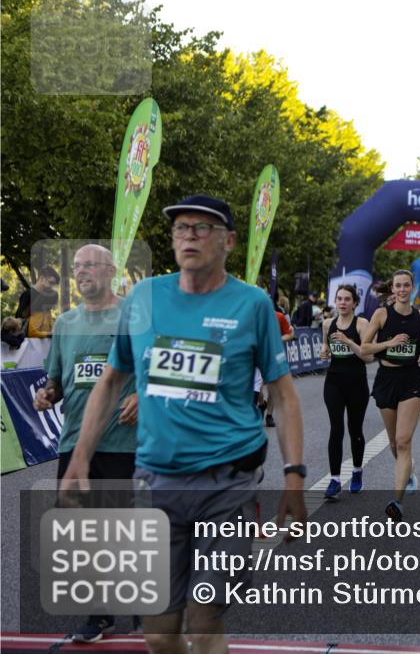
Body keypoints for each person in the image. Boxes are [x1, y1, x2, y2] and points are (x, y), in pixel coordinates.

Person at [60, 195, 307, 654]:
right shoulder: (146, 297)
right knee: (158, 631)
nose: (188, 236)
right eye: (181, 228)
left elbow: (284, 395)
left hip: (227, 482)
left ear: (229, 241)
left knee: (204, 614)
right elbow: (112, 379)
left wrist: (295, 475)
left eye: (202, 228)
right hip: (155, 482)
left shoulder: (251, 304)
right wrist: (80, 457)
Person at [33, 244, 139, 643]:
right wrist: (46, 394)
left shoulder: (134, 316)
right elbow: (57, 381)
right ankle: (100, 615)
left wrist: (141, 394)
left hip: (123, 442)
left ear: (110, 270)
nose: (80, 273)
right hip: (75, 442)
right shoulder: (65, 324)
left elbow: (155, 367)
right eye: (76, 267)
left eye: (89, 265)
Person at [361, 269, 420, 522]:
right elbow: (364, 347)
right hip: (386, 379)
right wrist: (388, 344)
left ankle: (397, 501)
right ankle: (409, 471)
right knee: (394, 443)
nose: (403, 290)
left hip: (411, 379)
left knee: (403, 441)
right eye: (398, 286)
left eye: (407, 285)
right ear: (392, 289)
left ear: (412, 288)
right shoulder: (381, 314)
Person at [318, 284, 374, 498]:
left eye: (347, 299)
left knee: (355, 430)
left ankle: (357, 471)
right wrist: (324, 351)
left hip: (357, 383)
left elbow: (369, 357)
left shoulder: (362, 324)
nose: (342, 302)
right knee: (336, 429)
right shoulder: (327, 324)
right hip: (333, 382)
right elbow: (325, 346)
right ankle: (334, 479)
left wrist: (349, 342)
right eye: (339, 298)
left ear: (354, 303)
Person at [263, 299, 296, 427]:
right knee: (257, 388)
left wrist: (277, 339)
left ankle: (269, 415)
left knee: (273, 387)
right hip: (257, 356)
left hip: (275, 356)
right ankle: (261, 403)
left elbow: (290, 334)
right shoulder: (252, 316)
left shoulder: (279, 316)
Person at [16, 265, 60, 338]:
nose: (52, 286)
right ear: (42, 278)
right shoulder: (28, 294)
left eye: (54, 284)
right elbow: (20, 316)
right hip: (28, 338)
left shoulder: (48, 296)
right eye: (50, 282)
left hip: (43, 338)